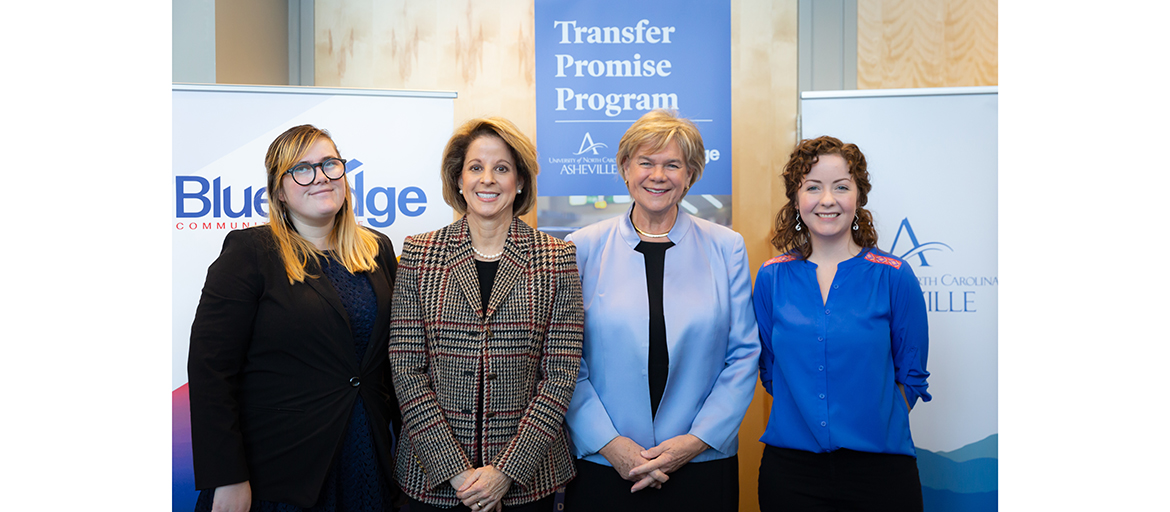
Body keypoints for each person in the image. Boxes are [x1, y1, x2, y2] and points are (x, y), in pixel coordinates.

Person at [188, 125, 401, 512]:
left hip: (366, 460)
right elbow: (211, 372)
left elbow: (392, 364)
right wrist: (227, 477)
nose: (320, 177)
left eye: (329, 164)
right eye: (302, 169)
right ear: (279, 190)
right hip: (279, 472)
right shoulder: (250, 252)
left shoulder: (377, 249)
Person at [562, 109, 760, 512]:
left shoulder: (726, 247)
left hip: (701, 463)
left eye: (673, 164)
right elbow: (566, 359)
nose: (658, 175)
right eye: (646, 162)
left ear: (690, 175)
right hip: (605, 463)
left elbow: (743, 355)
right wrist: (610, 444)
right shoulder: (582, 247)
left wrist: (694, 442)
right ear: (624, 168)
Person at [388, 117, 583, 512]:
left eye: (502, 168)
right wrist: (456, 471)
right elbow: (406, 368)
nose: (487, 180)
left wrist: (505, 473)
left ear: (520, 181)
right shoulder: (420, 254)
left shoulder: (556, 259)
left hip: (526, 482)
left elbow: (560, 375)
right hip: (433, 481)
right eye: (476, 168)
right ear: (458, 179)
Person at [754, 135, 931, 511]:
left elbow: (911, 376)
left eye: (841, 187)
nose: (827, 200)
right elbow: (770, 370)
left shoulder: (894, 276)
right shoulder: (772, 277)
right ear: (796, 198)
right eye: (813, 187)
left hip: (880, 472)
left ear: (859, 196)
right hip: (791, 474)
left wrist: (867, 421)